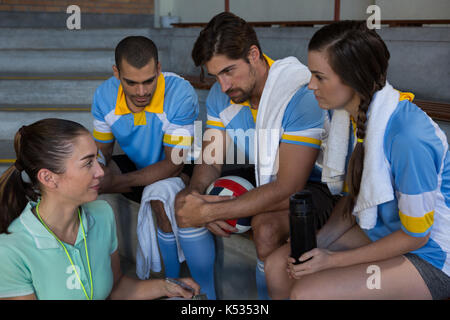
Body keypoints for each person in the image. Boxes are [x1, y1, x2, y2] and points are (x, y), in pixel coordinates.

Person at [265, 21, 450, 300]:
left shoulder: (408, 137)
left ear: (352, 78)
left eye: (319, 76)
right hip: (382, 232)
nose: (310, 85)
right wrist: (318, 245)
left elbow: (416, 236)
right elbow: (353, 199)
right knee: (279, 265)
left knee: (308, 293)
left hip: (430, 256)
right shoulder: (349, 117)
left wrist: (331, 260)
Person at [175, 12, 337, 299]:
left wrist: (211, 211)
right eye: (215, 76)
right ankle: (205, 299)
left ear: (253, 54)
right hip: (263, 172)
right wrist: (196, 196)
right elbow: (211, 158)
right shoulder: (220, 94)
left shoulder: (300, 94)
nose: (223, 86)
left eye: (228, 71)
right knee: (183, 199)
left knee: (265, 229)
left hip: (315, 185)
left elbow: (290, 187)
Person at [0, 119, 200, 300]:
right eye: (88, 163)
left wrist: (166, 287)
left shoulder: (102, 214)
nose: (100, 172)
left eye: (97, 159)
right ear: (48, 178)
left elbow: (116, 287)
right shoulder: (10, 251)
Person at [91, 36, 217, 299]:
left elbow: (174, 164)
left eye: (149, 81)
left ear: (159, 68)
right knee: (88, 180)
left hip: (183, 166)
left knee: (160, 193)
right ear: (117, 74)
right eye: (131, 82)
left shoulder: (179, 93)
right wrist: (101, 177)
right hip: (141, 167)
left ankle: (174, 288)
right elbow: (102, 154)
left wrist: (117, 183)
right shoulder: (104, 96)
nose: (141, 92)